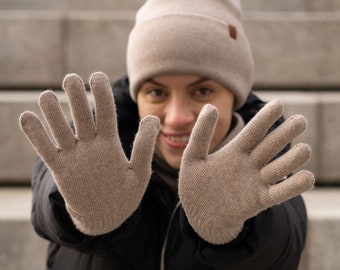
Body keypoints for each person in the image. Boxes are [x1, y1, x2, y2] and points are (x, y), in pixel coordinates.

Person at [19, 0, 315, 269]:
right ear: (137, 97)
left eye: (202, 91)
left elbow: (282, 244)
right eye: (157, 92)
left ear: (234, 96)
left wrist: (237, 231)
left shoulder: (268, 170)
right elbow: (47, 198)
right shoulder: (91, 148)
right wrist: (80, 216)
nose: (176, 118)